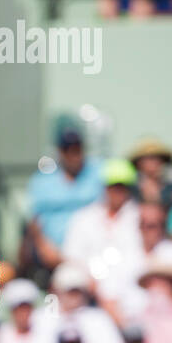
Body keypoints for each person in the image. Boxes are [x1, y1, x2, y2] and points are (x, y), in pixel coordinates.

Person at [62, 158, 142, 311]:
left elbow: (138, 259)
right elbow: (71, 256)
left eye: (122, 186)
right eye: (113, 186)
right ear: (104, 187)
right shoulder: (83, 218)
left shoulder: (139, 218)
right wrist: (90, 282)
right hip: (87, 295)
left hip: (129, 295)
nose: (117, 191)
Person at [25, 128, 103, 268]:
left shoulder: (98, 173)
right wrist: (44, 248)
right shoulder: (42, 182)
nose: (74, 156)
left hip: (92, 254)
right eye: (68, 151)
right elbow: (34, 222)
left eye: (77, 150)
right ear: (60, 152)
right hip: (53, 256)